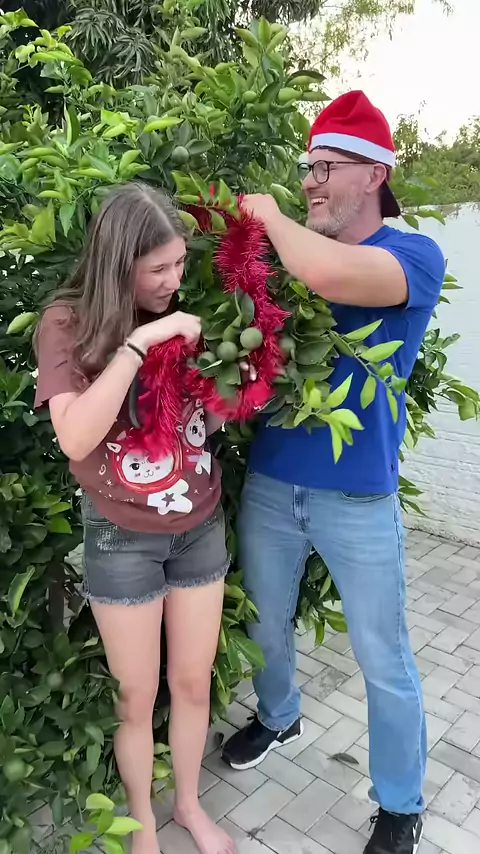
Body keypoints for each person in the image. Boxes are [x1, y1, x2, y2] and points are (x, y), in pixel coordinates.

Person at [221, 91, 446, 854]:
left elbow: (333, 276)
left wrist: (268, 215)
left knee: (383, 655)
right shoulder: (293, 254)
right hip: (272, 483)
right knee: (264, 623)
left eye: (326, 167)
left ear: (375, 174)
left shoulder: (413, 256)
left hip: (358, 498)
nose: (310, 181)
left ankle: (400, 802)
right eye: (306, 167)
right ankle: (278, 716)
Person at [34, 183, 235, 854]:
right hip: (122, 538)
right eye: (159, 269)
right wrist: (139, 344)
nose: (174, 281)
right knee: (136, 696)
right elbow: (75, 438)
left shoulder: (180, 318)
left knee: (191, 683)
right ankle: (142, 823)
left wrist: (234, 388)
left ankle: (188, 805)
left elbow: (201, 424)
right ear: (119, 264)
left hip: (198, 525)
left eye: (179, 264)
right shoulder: (67, 324)